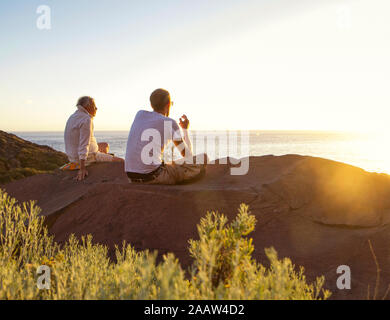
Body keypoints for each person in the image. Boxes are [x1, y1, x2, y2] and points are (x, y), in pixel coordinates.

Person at [125, 88, 207, 184]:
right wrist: (185, 129)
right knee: (204, 158)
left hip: (131, 177)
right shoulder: (169, 122)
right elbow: (188, 156)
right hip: (153, 177)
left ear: (151, 105)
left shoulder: (139, 114)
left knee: (165, 162)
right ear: (168, 104)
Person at [64, 96, 123, 181]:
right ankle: (102, 161)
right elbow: (84, 145)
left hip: (73, 157)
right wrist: (82, 168)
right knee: (121, 161)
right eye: (94, 106)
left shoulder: (72, 117)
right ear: (88, 106)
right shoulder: (86, 119)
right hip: (89, 157)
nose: (96, 108)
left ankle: (103, 158)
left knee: (105, 145)